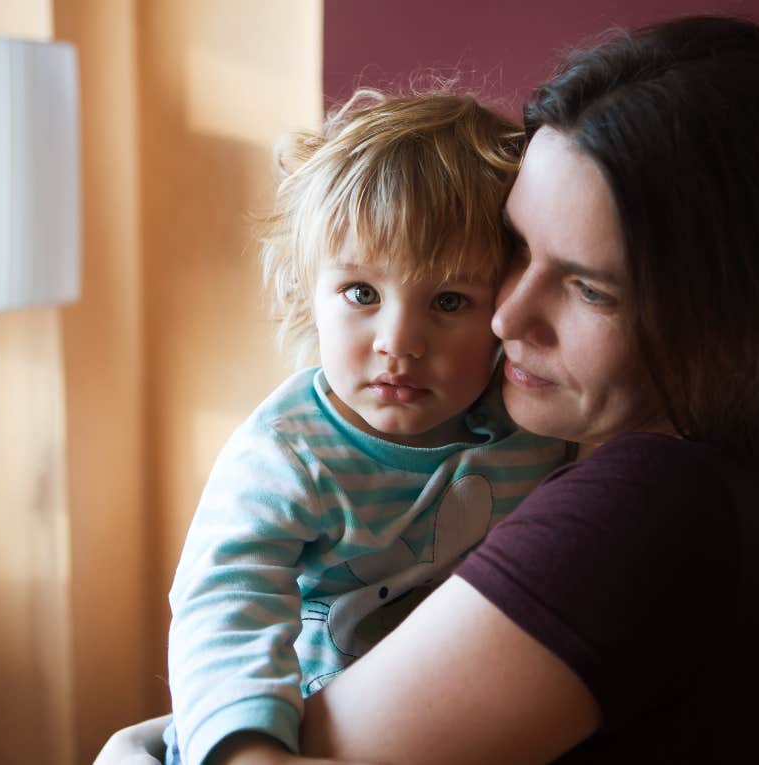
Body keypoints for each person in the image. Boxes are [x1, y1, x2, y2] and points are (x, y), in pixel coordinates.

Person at [99, 14, 759, 765]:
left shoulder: (647, 503)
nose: (505, 315)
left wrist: (136, 752)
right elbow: (229, 600)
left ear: (731, 320)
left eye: (588, 287)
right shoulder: (730, 466)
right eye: (516, 250)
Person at [157, 90, 574, 765]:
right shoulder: (289, 451)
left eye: (448, 300)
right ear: (307, 292)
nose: (398, 341)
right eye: (361, 293)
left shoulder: (538, 428)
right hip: (300, 738)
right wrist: (248, 749)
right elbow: (224, 602)